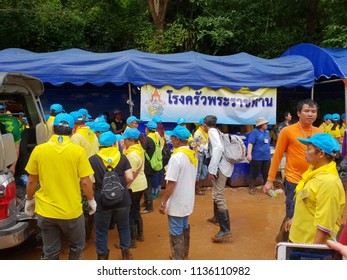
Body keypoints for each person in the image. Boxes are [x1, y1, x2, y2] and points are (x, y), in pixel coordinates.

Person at [24, 113, 96, 260]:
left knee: (50, 252)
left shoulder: (39, 150)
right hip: (72, 212)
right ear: (72, 131)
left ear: (52, 130)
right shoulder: (78, 151)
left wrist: (29, 200)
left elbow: (32, 181)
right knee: (76, 246)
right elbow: (85, 181)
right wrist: (91, 200)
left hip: (46, 211)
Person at [263, 99, 322, 242]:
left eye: (313, 111)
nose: (310, 114)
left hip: (313, 181)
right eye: (306, 111)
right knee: (293, 212)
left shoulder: (320, 132)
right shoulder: (287, 131)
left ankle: (282, 239)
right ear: (298, 113)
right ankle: (286, 245)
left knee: (304, 212)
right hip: (293, 180)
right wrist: (270, 180)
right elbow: (277, 156)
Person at [285, 133, 345, 244]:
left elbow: (324, 225)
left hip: (308, 246)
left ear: (321, 153)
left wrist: (313, 252)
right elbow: (309, 204)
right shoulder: (312, 172)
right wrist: (295, 219)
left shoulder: (328, 183)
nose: (305, 152)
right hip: (298, 240)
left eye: (309, 149)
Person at [89, 131, 134, 260]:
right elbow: (130, 177)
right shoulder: (123, 157)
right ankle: (126, 255)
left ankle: (102, 257)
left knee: (101, 231)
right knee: (124, 227)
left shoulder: (93, 159)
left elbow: (90, 180)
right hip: (123, 199)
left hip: (102, 200)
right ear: (114, 143)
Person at [159, 125, 197, 259]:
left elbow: (171, 183)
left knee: (175, 231)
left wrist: (163, 202)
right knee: (184, 227)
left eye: (172, 138)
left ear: (177, 139)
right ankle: (184, 256)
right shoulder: (192, 155)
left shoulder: (176, 158)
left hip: (177, 200)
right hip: (187, 200)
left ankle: (178, 258)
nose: (171, 141)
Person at [204, 115, 233, 242]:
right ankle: (216, 218)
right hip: (223, 166)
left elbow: (218, 148)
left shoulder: (211, 131)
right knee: (216, 193)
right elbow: (212, 148)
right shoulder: (217, 131)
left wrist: (212, 169)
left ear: (205, 125)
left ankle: (225, 229)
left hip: (220, 167)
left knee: (219, 195)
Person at [121, 128, 147, 248]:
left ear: (131, 140)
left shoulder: (131, 154)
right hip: (141, 184)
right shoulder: (139, 149)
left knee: (130, 212)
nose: (124, 142)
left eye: (125, 140)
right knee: (136, 209)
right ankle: (140, 234)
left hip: (133, 186)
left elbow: (129, 176)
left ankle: (131, 240)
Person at [246, 117, 271, 195]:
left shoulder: (267, 132)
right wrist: (249, 154)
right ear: (261, 125)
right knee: (254, 173)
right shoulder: (254, 132)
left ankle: (267, 188)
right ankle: (251, 188)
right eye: (265, 124)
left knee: (266, 174)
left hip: (267, 157)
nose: (267, 125)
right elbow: (250, 144)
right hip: (257, 157)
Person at [0, 104, 25, 176]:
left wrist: (13, 166)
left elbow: (16, 148)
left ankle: (19, 175)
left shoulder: (13, 129)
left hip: (21, 130)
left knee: (22, 151)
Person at [140, 121, 158, 214]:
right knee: (148, 184)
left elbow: (142, 150)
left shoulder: (147, 139)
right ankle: (146, 202)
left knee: (147, 186)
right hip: (153, 164)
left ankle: (149, 206)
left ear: (147, 129)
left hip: (147, 165)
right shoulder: (156, 137)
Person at [193, 117, 208, 195]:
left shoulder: (205, 133)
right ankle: (196, 189)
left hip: (204, 154)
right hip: (199, 154)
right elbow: (196, 144)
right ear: (203, 125)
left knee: (205, 172)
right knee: (198, 172)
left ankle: (198, 186)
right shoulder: (198, 133)